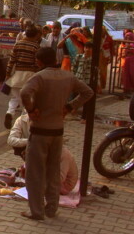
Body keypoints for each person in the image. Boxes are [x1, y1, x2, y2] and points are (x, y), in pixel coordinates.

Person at [19, 47, 93, 220]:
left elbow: (24, 92)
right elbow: (88, 92)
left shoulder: (40, 77)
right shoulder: (68, 76)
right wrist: (70, 106)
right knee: (53, 171)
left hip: (40, 130)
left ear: (40, 61)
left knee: (35, 173)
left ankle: (36, 211)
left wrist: (31, 109)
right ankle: (51, 208)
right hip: (58, 130)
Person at [7, 114, 78, 196]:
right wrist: (18, 172)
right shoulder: (47, 149)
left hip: (64, 185)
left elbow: (59, 179)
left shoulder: (63, 154)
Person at [4, 26, 40, 129]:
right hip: (30, 75)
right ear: (35, 35)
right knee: (27, 101)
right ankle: (21, 125)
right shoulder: (35, 46)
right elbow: (37, 63)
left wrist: (7, 74)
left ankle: (10, 112)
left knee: (15, 97)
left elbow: (11, 61)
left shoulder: (18, 44)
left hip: (17, 74)